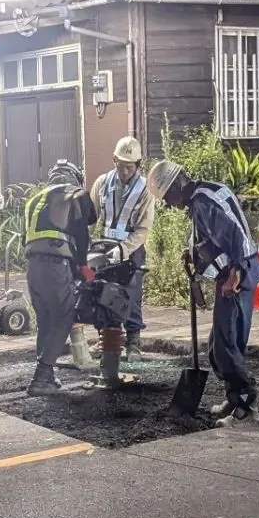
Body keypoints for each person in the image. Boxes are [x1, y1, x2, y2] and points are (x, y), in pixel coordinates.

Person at [145, 157, 259, 423]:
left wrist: (237, 272)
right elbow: (219, 234)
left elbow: (237, 235)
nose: (168, 205)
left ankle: (245, 404)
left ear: (175, 187)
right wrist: (195, 251)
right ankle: (235, 399)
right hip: (235, 273)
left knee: (224, 346)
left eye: (166, 199)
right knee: (222, 344)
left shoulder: (203, 203)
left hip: (236, 276)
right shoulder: (207, 191)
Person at [23, 159, 96, 395]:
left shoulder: (35, 199)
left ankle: (48, 375)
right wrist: (83, 266)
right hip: (55, 265)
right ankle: (41, 378)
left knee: (45, 319)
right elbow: (83, 230)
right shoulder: (74, 192)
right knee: (64, 317)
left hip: (33, 266)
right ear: (75, 178)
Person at [89, 135, 153, 359]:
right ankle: (105, 340)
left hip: (132, 250)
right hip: (104, 249)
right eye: (121, 165)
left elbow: (143, 229)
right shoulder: (102, 183)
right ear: (114, 161)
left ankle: (133, 342)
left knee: (131, 296)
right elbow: (91, 216)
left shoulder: (145, 190)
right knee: (101, 294)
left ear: (137, 165)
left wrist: (124, 249)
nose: (124, 171)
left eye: (129, 167)